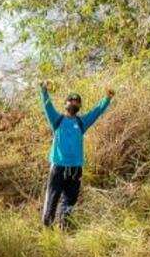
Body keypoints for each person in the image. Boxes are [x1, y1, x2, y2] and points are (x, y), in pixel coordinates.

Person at [39, 81, 115, 229]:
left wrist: (107, 98)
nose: (73, 103)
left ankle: (64, 229)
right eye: (71, 101)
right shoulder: (57, 120)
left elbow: (97, 111)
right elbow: (47, 105)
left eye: (76, 102)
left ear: (79, 107)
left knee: (69, 201)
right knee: (52, 200)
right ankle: (46, 231)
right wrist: (44, 90)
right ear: (65, 104)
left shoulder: (82, 122)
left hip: (75, 170)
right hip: (58, 168)